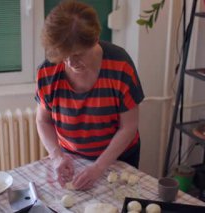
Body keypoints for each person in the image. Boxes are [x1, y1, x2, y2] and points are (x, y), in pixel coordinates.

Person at [35, 0, 144, 191]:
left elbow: (129, 127)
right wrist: (57, 156)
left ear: (95, 39)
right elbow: (43, 121)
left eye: (77, 54)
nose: (70, 62)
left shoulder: (120, 66)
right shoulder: (48, 71)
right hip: (72, 159)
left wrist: (99, 167)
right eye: (64, 55)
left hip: (118, 159)